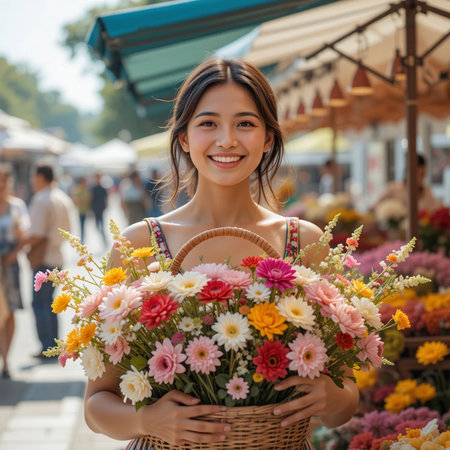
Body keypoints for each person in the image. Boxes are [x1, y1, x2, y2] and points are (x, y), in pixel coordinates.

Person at [84, 59, 359, 448]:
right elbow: (96, 405)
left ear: (267, 138)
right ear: (183, 138)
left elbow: (346, 393)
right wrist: (148, 419)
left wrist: (332, 400)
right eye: (208, 123)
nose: (227, 140)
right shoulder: (138, 246)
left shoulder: (305, 241)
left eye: (245, 123)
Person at [25, 162, 74, 359]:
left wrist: (20, 243)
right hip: (57, 256)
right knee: (49, 304)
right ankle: (53, 345)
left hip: (44, 257)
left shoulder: (42, 199)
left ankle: (47, 347)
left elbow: (36, 233)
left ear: (40, 177)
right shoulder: (62, 198)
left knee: (40, 304)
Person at [0, 163, 29, 378]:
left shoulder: (17, 206)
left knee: (9, 311)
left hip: (9, 264)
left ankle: (6, 360)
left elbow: (24, 235)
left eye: (3, 179)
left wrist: (17, 249)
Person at [372, 154, 442, 213]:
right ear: (408, 173)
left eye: (422, 174)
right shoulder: (394, 189)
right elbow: (374, 208)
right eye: (417, 174)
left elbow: (434, 211)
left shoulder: (427, 191)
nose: (420, 178)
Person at [71, 176, 92, 244]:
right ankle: (82, 239)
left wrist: (81, 201)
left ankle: (83, 239)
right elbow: (75, 201)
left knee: (85, 226)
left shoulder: (86, 190)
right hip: (80, 211)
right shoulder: (77, 190)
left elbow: (88, 200)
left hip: (86, 210)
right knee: (81, 226)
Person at [90, 173, 109, 245]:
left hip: (101, 208)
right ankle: (103, 239)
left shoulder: (103, 188)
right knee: (97, 226)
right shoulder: (92, 188)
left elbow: (106, 198)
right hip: (95, 208)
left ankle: (104, 240)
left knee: (102, 225)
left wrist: (106, 206)